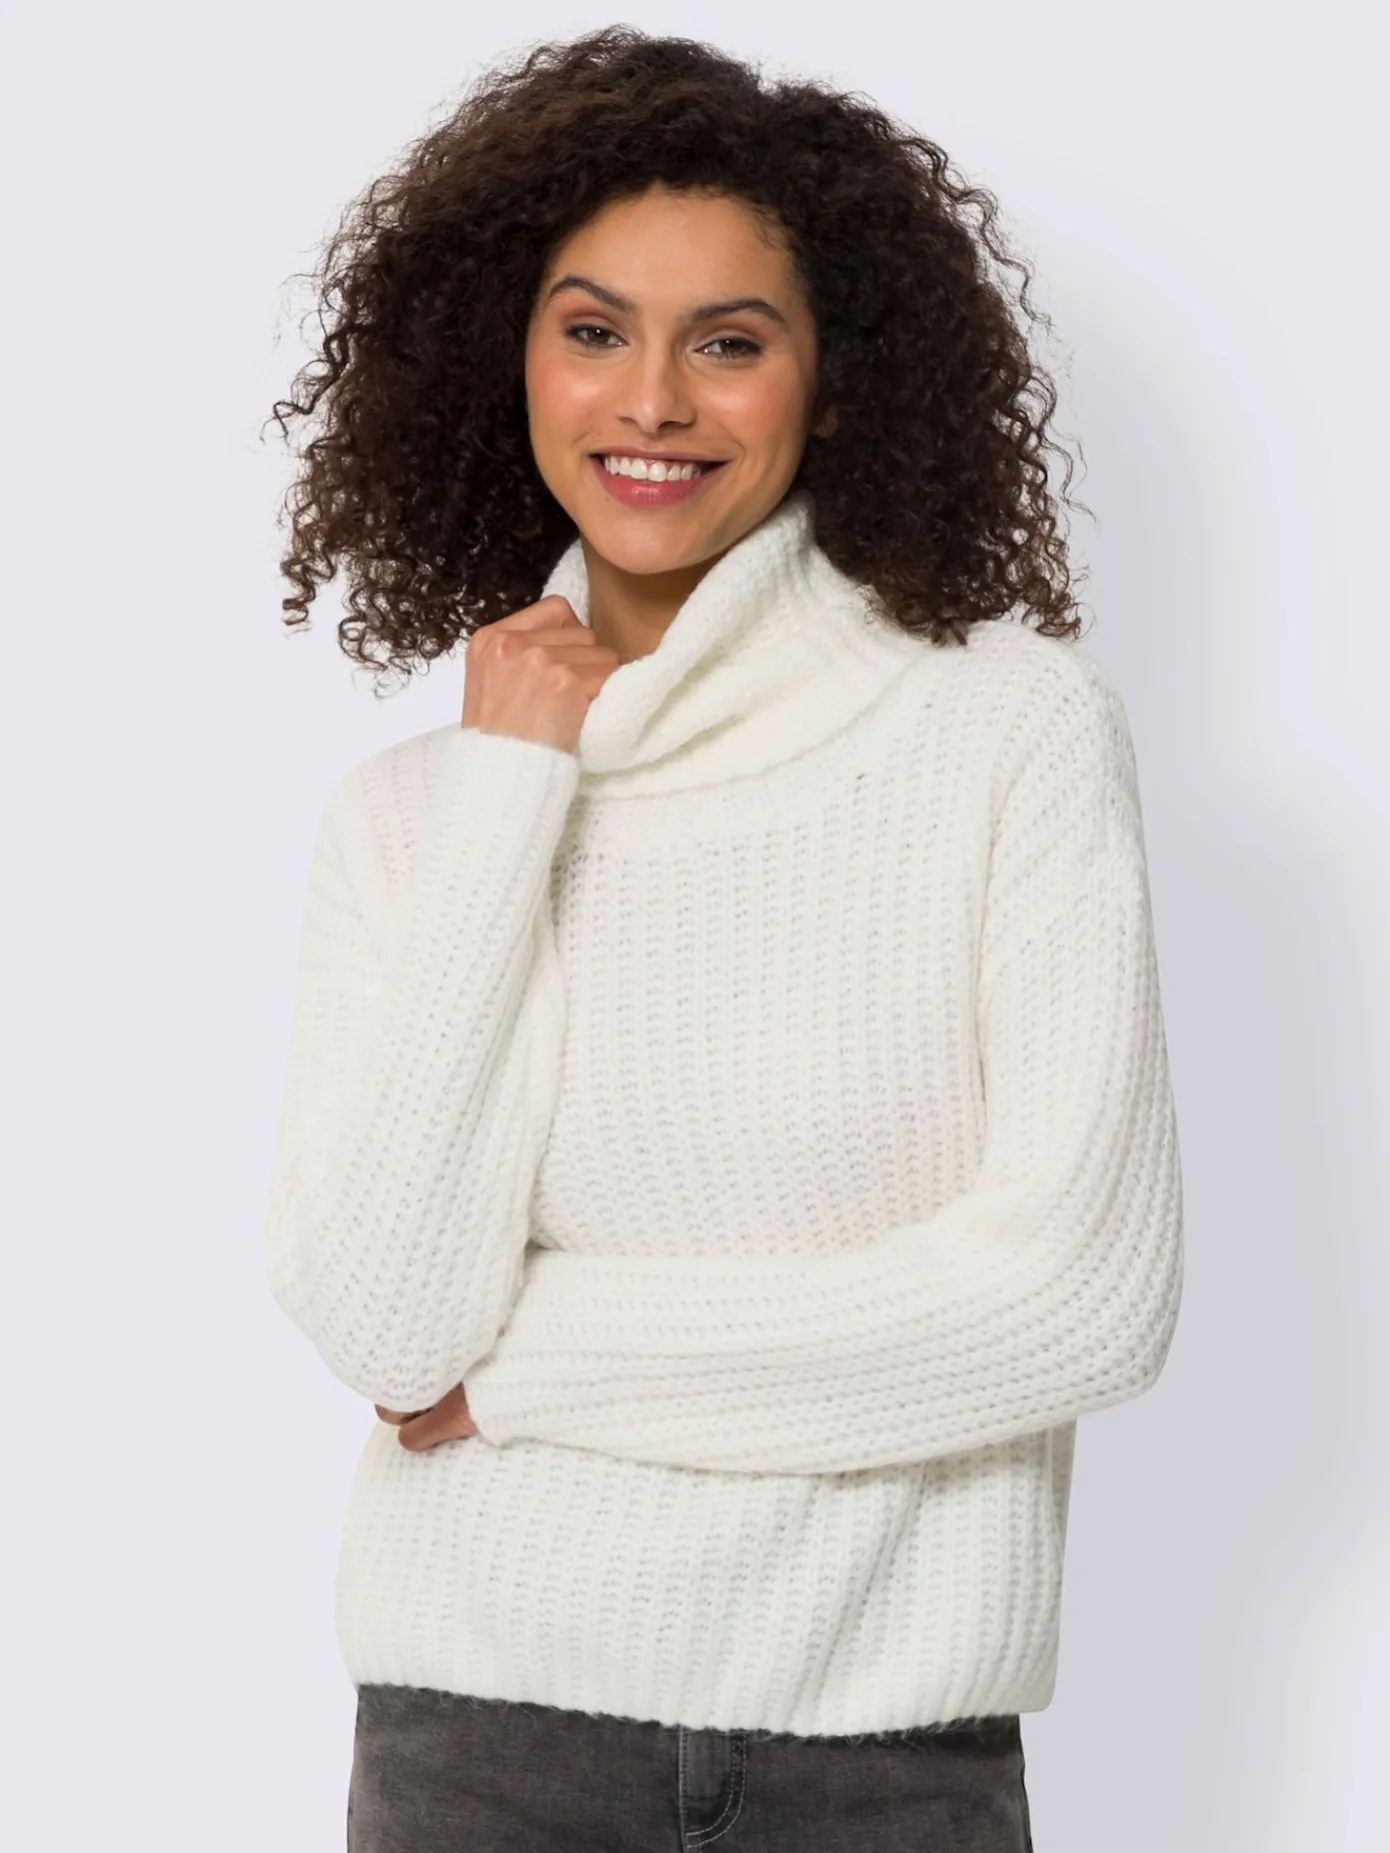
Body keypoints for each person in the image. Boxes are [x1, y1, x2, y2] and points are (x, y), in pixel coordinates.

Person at [261, 26, 1184, 1852]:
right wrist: (510, 793)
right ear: (511, 360)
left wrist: (520, 1373)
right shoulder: (414, 818)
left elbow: (1075, 1303)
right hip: (475, 1750)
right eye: (593, 330)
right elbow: (381, 1323)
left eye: (730, 343)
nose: (653, 400)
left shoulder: (1005, 735)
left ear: (832, 387)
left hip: (884, 1754)